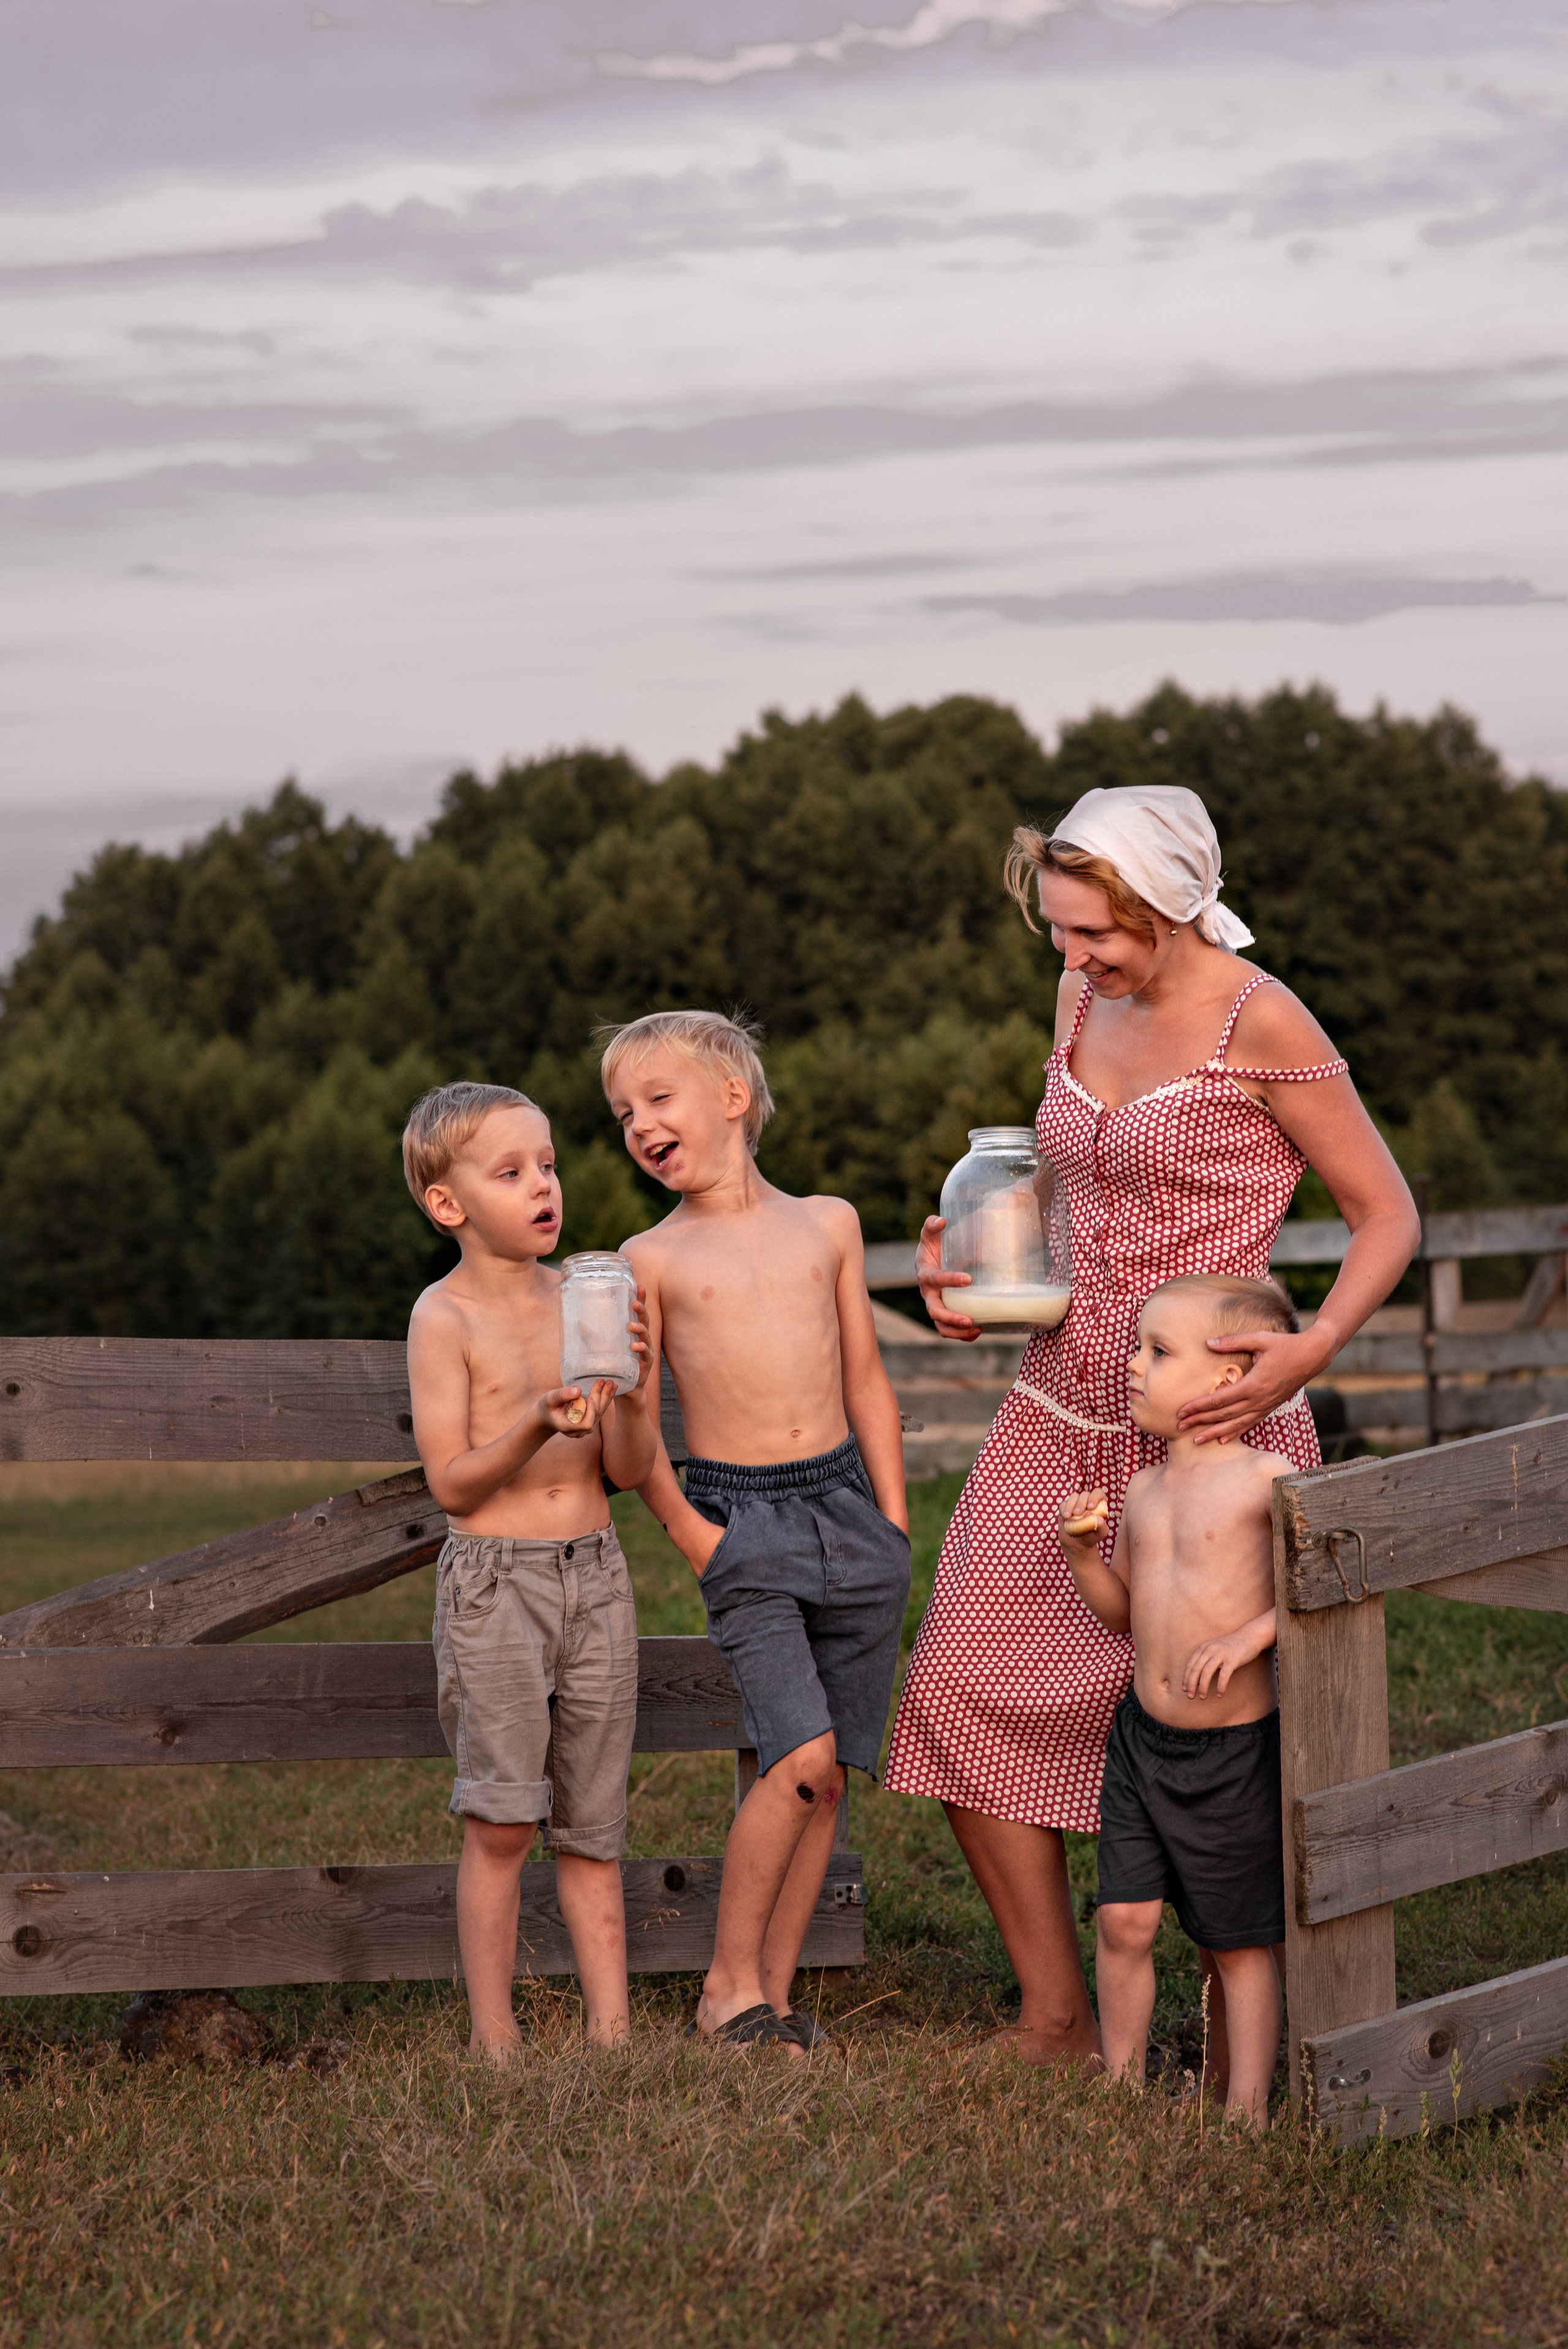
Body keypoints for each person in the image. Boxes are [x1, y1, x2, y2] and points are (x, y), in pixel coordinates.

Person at [884, 782, 1419, 2068]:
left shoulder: (1261, 1016)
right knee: (956, 1682)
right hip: (1060, 1399)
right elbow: (1065, 1192)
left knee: (1222, 1719)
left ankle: (1258, 2009)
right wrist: (975, 1281)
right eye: (1061, 934)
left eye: (1094, 934)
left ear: (1169, 904)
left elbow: (1383, 1215)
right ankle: (1058, 2015)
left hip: (1212, 1430)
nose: (1071, 960)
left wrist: (1308, 1348)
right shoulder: (1078, 999)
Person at [602, 1010, 910, 2054]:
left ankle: (771, 2001)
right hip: (740, 1518)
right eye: (622, 1113)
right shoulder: (646, 1259)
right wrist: (698, 1537)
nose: (639, 1125)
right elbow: (630, 1442)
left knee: (829, 1775)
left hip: (849, 1510)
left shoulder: (829, 1221)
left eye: (658, 1098)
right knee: (798, 1752)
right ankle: (723, 1991)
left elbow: (866, 1374)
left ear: (733, 1098)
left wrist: (895, 1520)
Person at [403, 1080, 657, 2061]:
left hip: (595, 1574)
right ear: (449, 1204)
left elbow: (628, 1470)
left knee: (593, 1822)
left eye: (547, 1165)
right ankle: (495, 2035)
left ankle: (613, 2030)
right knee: (504, 1818)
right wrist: (533, 1424)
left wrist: (631, 1387)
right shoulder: (445, 1318)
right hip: (497, 1583)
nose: (543, 1185)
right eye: (511, 1172)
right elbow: (455, 1484)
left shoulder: (590, 1296)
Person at [1061, 1272, 1298, 2128]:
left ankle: (1245, 2108)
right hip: (1141, 1740)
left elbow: (1330, 1581)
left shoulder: (1268, 1479)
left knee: (1238, 1941)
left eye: (1158, 1351)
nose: (1133, 1365)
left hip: (1230, 1751)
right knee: (1123, 1918)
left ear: (1229, 1378)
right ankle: (1122, 2084)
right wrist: (1085, 1555)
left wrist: (1250, 1636)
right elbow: (1127, 1614)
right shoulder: (1143, 1490)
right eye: (1138, 1346)